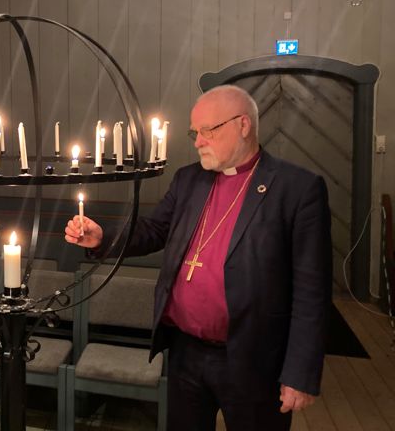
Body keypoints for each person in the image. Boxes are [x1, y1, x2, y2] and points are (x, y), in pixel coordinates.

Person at [64, 85, 332, 430]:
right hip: (186, 352)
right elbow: (154, 230)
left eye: (208, 130)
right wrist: (103, 238)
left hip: (253, 356)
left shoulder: (296, 188)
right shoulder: (189, 179)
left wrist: (300, 373)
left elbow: (312, 291)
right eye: (195, 132)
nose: (198, 141)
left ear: (243, 125)